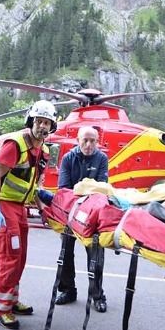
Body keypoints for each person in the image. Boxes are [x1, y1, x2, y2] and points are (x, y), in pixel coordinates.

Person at [0, 100, 58, 330]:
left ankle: (12, 300)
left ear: (52, 126)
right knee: (9, 256)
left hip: (20, 208)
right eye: (38, 121)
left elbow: (33, 184)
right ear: (31, 121)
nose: (42, 126)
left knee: (20, 257)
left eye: (46, 122)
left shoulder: (44, 151)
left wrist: (41, 207)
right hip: (5, 206)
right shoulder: (15, 144)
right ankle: (2, 308)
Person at [52, 125, 111, 311]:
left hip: (93, 215)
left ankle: (97, 295)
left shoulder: (102, 158)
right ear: (78, 140)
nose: (88, 144)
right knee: (66, 253)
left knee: (96, 256)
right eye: (85, 140)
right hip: (70, 213)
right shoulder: (68, 158)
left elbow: (102, 189)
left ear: (97, 141)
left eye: (92, 140)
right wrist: (87, 191)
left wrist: (84, 191)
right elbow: (64, 188)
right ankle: (68, 290)